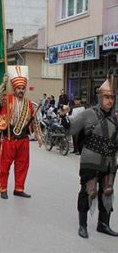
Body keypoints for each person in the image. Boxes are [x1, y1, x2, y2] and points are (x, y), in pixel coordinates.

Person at [64, 75, 118, 239]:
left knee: (107, 193)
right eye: (107, 97)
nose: (110, 101)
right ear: (100, 97)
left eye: (112, 98)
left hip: (109, 162)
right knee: (88, 192)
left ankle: (103, 224)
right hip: (91, 161)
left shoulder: (115, 118)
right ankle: (83, 225)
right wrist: (64, 117)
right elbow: (71, 129)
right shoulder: (88, 114)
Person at [0, 67, 42, 199]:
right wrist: (4, 83)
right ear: (14, 89)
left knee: (22, 166)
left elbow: (34, 121)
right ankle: (3, 188)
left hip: (23, 139)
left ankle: (19, 188)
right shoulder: (7, 100)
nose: (21, 90)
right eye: (18, 88)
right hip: (9, 138)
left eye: (22, 88)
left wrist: (39, 136)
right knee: (5, 166)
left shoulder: (29, 104)